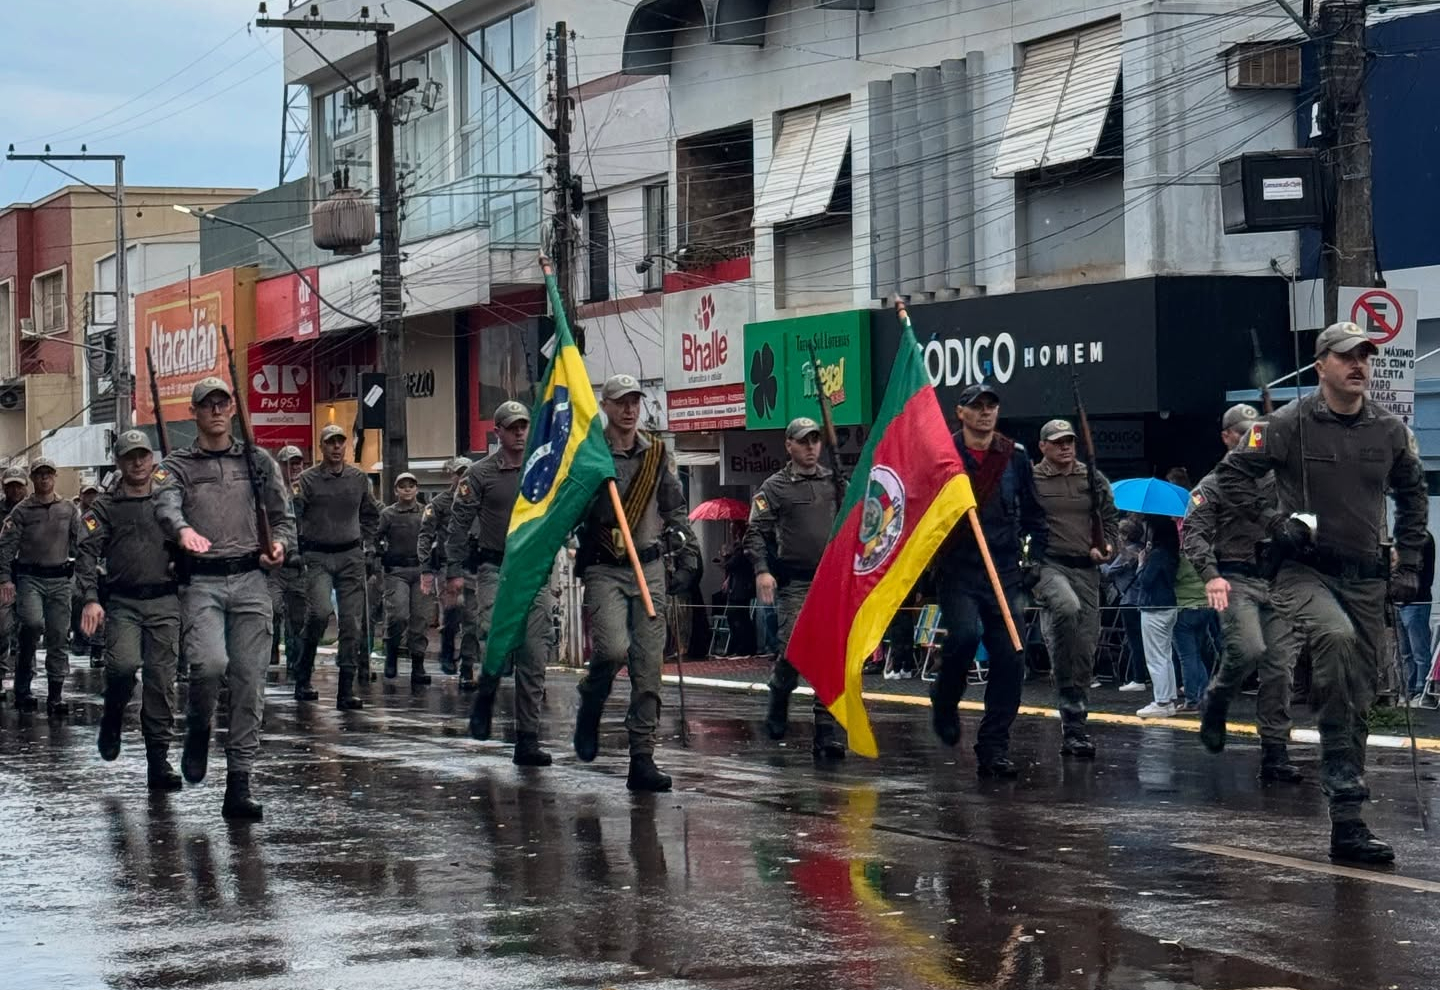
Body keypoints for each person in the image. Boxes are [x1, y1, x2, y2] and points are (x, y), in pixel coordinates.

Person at [1214, 321, 1428, 864]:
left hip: (1367, 575)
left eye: (1365, 356)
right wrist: (1273, 519)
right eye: (1346, 356)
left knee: (1358, 693)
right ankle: (1341, 796)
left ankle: (1349, 822)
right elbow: (1232, 475)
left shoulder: (1389, 429)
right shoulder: (1285, 424)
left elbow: (1413, 493)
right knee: (1332, 643)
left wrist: (1411, 564)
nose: (1358, 365)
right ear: (1321, 365)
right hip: (1303, 571)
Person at [153, 376, 295, 820]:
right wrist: (183, 530)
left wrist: (281, 547)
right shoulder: (176, 464)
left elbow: (283, 516)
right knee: (209, 666)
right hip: (204, 583)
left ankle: (239, 781)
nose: (215, 410)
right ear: (193, 412)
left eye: (222, 402)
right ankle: (198, 727)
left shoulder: (258, 461)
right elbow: (164, 504)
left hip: (251, 580)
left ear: (232, 408)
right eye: (206, 404)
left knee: (250, 681)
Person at [573, 374, 692, 791]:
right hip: (605, 566)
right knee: (611, 649)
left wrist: (688, 553)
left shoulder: (655, 453)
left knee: (647, 668)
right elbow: (569, 508)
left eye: (635, 401)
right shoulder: (589, 452)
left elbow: (674, 507)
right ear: (605, 406)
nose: (629, 409)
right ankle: (592, 696)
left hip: (649, 567)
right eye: (621, 402)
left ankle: (642, 756)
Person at [928, 383, 1048, 777]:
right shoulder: (943, 454)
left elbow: (1033, 515)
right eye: (976, 407)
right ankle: (945, 700)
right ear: (959, 413)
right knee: (962, 637)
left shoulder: (1013, 456)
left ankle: (994, 747)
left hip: (1004, 569)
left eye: (991, 406)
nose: (985, 413)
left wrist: (1033, 559)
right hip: (959, 568)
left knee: (1011, 658)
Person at [1183, 402, 1303, 782]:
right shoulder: (1213, 485)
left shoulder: (1280, 480)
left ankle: (1275, 751)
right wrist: (1210, 574)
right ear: (1226, 437)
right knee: (1249, 648)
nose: (1251, 440)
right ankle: (1216, 700)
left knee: (1280, 668)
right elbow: (1195, 534)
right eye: (1242, 434)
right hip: (1235, 579)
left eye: (1257, 434)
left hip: (1279, 579)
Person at [448, 401, 555, 766]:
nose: (520, 432)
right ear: (498, 431)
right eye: (512, 427)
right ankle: (486, 699)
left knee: (534, 655)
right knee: (492, 634)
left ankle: (527, 738)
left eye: (524, 425)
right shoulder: (479, 474)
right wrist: (453, 571)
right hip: (494, 567)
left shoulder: (541, 468)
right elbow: (459, 523)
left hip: (533, 571)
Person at [76, 430, 183, 791]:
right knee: (121, 667)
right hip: (122, 601)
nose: (138, 463)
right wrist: (90, 597)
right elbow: (87, 553)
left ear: (152, 459)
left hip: (166, 601)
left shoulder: (171, 499)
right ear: (119, 463)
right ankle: (113, 714)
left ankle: (158, 760)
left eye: (143, 455)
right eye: (129, 457)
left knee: (161, 682)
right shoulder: (105, 507)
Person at [746, 416, 847, 760]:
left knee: (829, 656)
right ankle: (779, 690)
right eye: (803, 441)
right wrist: (762, 571)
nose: (811, 447)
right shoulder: (774, 487)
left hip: (831, 581)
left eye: (815, 440)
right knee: (792, 651)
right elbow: (755, 532)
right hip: (795, 583)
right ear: (789, 445)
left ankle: (826, 731)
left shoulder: (834, 480)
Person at [1030, 419, 1119, 758]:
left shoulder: (1092, 478)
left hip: (1086, 570)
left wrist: (1108, 547)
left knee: (1085, 650)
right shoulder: (1033, 480)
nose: (1065, 447)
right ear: (1043, 447)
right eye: (1057, 442)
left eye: (1069, 441)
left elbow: (1111, 520)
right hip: (1050, 565)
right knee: (1065, 607)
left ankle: (1075, 725)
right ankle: (1053, 633)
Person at [291, 423, 381, 709]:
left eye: (341, 442)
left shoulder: (358, 479)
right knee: (318, 613)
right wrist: (296, 550)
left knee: (352, 623)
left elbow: (371, 514)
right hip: (317, 556)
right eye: (331, 442)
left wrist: (367, 545)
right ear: (322, 447)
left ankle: (346, 687)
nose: (336, 447)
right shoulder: (305, 481)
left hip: (350, 556)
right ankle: (303, 673)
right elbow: (292, 517)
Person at [0, 457, 82, 716]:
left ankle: (55, 696)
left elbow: (81, 543)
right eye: (39, 474)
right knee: (32, 626)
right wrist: (5, 579)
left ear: (54, 477)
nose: (44, 478)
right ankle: (23, 688)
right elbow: (6, 548)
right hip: (30, 579)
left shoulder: (68, 509)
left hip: (59, 579)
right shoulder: (21, 511)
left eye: (48, 474)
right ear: (32, 479)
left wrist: (83, 573)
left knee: (59, 635)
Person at [418, 456, 476, 683]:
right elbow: (425, 534)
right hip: (446, 565)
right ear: (452, 475)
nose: (464, 477)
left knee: (472, 617)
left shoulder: (478, 500)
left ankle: (468, 666)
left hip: (473, 564)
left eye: (468, 473)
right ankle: (447, 650)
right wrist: (425, 567)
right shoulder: (440, 503)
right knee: (453, 612)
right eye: (459, 472)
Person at [377, 471, 431, 684]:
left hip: (420, 570)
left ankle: (418, 665)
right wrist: (377, 555)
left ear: (417, 488)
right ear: (396, 490)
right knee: (398, 615)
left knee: (420, 619)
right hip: (396, 571)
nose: (407, 489)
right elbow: (376, 537)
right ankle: (391, 652)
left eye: (411, 485)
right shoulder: (388, 514)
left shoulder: (427, 512)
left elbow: (435, 535)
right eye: (403, 486)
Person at [268, 445, 308, 670]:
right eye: (290, 463)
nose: (295, 468)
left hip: (299, 563)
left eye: (298, 463)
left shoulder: (307, 490)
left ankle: (296, 661)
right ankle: (271, 652)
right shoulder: (271, 491)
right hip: (275, 564)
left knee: (298, 616)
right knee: (272, 609)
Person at [1101, 516, 1148, 692]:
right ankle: (1144, 675)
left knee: (1134, 640)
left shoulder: (1127, 553)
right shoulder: (1143, 549)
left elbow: (1108, 572)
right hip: (1143, 598)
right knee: (1144, 639)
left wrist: (1100, 560)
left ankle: (1138, 677)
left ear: (1126, 535)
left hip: (1129, 600)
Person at [1396, 531, 1436, 702]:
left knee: (1419, 650)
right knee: (1405, 652)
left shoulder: (1421, 538)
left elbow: (1414, 566)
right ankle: (1410, 690)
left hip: (1415, 601)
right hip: (1401, 601)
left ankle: (1422, 691)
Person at [0, 466, 27, 685]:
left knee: (29, 628)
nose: (15, 490)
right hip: (3, 575)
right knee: (2, 627)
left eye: (19, 485)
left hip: (30, 575)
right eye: (11, 486)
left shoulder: (34, 508)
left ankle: (25, 681)